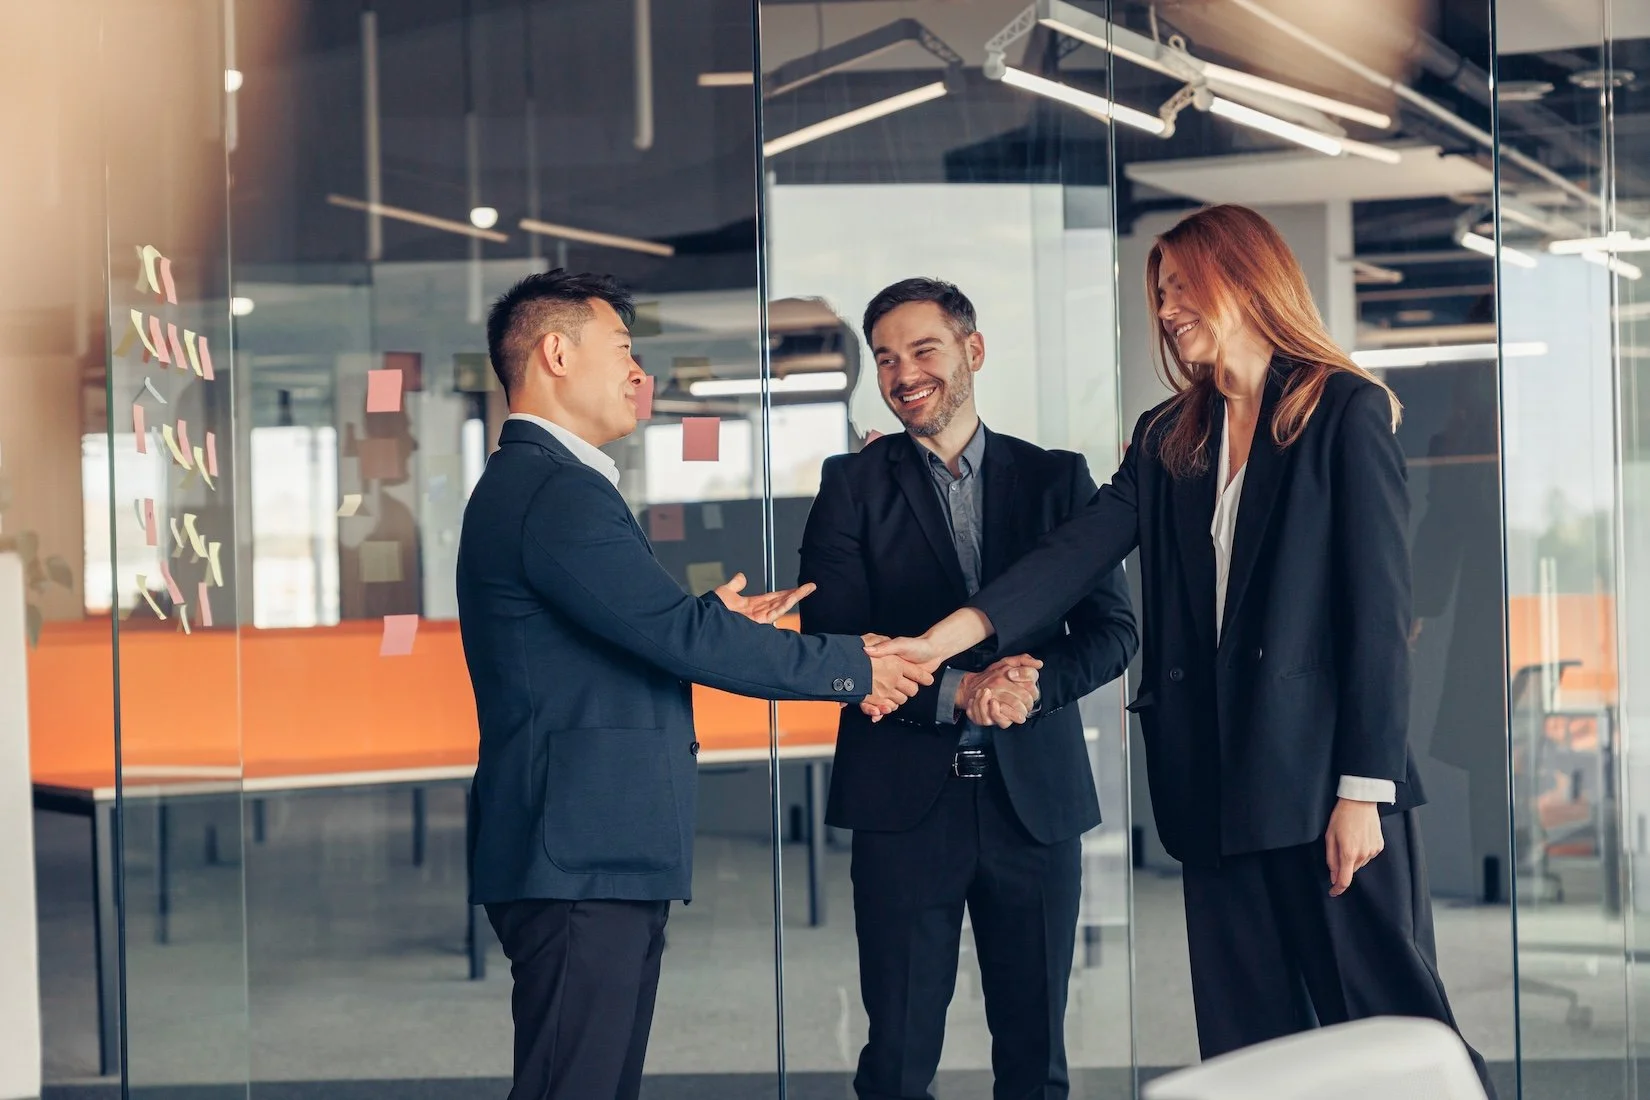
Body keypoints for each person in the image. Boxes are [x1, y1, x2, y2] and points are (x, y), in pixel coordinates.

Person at [865, 206, 1497, 1097]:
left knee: (1394, 1032)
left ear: (1247, 279)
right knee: (1251, 1052)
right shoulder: (1171, 433)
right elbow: (1071, 557)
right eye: (1160, 294)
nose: (1165, 311)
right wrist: (941, 643)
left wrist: (1364, 791)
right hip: (1216, 789)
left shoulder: (1341, 410)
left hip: (1327, 790)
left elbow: (1378, 620)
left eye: (1181, 289)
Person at [457, 269, 933, 1100]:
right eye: (622, 350)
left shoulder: (549, 484)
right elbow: (676, 638)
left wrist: (709, 620)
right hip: (578, 857)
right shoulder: (554, 491)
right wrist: (856, 666)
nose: (639, 372)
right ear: (557, 354)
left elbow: (643, 629)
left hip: (590, 852)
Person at [798, 278, 1138, 1100]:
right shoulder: (851, 485)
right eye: (885, 359)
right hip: (903, 807)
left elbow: (1114, 631)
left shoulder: (1057, 480)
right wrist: (961, 692)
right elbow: (833, 644)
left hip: (1035, 805)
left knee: (1035, 1056)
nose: (903, 373)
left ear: (972, 351)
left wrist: (1029, 686)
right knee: (897, 1057)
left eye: (924, 350)